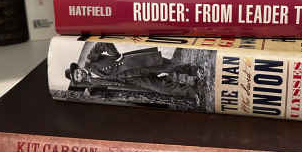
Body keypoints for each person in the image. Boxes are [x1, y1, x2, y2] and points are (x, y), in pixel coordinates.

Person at [64, 42, 201, 99]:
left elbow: (102, 44)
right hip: (133, 80)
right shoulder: (92, 83)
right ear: (79, 80)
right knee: (161, 88)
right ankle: (193, 92)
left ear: (79, 68)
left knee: (168, 66)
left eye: (77, 72)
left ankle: (194, 70)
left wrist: (116, 55)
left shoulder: (90, 61)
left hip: (133, 64)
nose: (79, 74)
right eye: (77, 76)